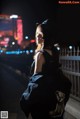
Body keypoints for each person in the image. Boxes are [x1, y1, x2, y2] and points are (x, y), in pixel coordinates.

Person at [20, 19, 72, 119]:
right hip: (54, 97)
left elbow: (35, 82)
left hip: (42, 99)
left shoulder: (40, 55)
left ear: (46, 35)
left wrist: (27, 103)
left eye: (40, 34)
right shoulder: (54, 52)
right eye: (36, 34)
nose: (37, 37)